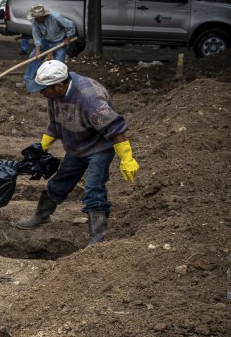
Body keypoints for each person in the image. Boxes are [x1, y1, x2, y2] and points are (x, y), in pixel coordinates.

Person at [13, 59, 140, 245]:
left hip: (99, 149)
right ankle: (41, 216)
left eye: (43, 89)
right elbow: (55, 124)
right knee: (59, 182)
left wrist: (127, 157)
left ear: (58, 86)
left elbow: (115, 128)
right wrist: (42, 146)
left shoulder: (90, 98)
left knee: (93, 189)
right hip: (76, 146)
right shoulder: (54, 96)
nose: (41, 93)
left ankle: (97, 240)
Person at [23, 4, 76, 88]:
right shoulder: (35, 22)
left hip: (59, 42)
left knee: (58, 64)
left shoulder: (55, 17)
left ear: (43, 16)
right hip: (45, 41)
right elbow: (36, 37)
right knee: (33, 57)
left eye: (38, 18)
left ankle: (56, 83)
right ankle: (27, 81)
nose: (36, 19)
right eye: (35, 17)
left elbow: (70, 25)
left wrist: (68, 38)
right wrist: (37, 51)